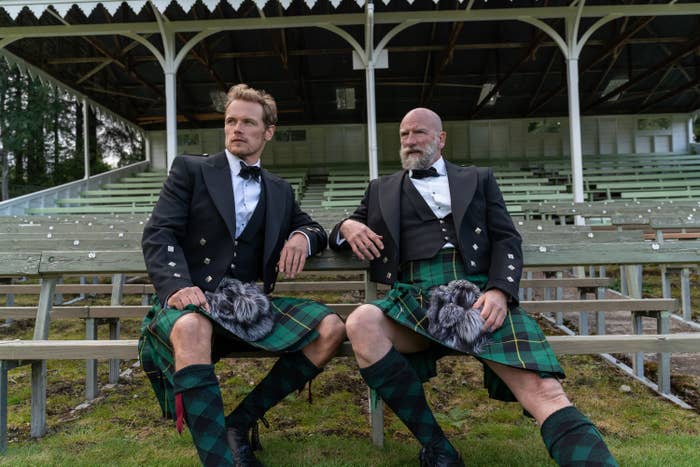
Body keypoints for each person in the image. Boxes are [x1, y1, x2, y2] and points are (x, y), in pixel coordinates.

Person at [330, 107, 617, 467]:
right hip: (414, 295)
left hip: (477, 295)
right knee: (360, 323)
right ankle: (439, 450)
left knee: (544, 390)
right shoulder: (380, 188)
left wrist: (499, 291)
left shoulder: (478, 178)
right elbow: (343, 235)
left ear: (441, 138)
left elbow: (506, 238)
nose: (410, 141)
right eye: (404, 135)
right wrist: (345, 225)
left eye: (419, 133)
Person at [139, 84, 345, 467]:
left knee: (331, 327)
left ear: (268, 131)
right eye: (231, 121)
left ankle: (240, 422)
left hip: (245, 304)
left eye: (248, 122)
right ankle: (221, 461)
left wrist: (301, 236)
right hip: (194, 295)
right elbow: (159, 233)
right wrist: (178, 286)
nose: (237, 128)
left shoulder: (280, 190)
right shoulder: (192, 169)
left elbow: (315, 228)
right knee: (189, 328)